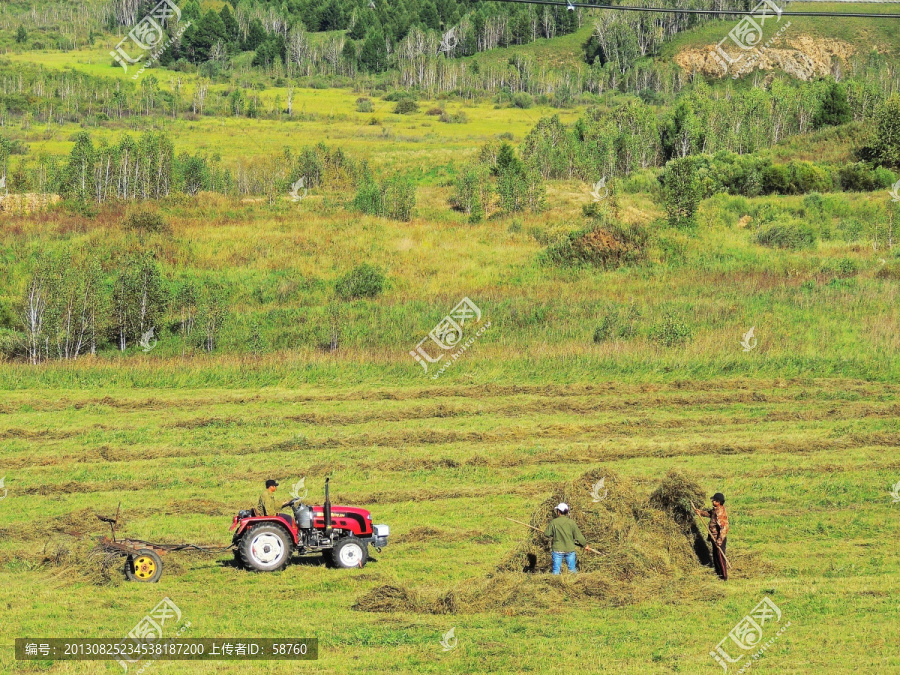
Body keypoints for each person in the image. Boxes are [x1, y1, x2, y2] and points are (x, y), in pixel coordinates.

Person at [544, 503, 588, 575]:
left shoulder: (554, 522)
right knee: (572, 570)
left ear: (558, 512)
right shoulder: (571, 523)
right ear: (567, 512)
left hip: (557, 550)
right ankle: (574, 583)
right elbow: (578, 536)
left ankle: (555, 584)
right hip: (569, 550)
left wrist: (553, 533)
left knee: (556, 570)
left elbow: (547, 534)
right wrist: (585, 545)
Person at [694, 492, 729, 580]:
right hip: (714, 537)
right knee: (715, 556)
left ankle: (724, 577)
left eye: (713, 500)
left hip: (719, 538)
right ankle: (718, 574)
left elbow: (724, 528)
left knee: (720, 556)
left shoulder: (720, 513)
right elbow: (710, 514)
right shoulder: (715, 509)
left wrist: (719, 540)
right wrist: (700, 512)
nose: (712, 501)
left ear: (718, 501)